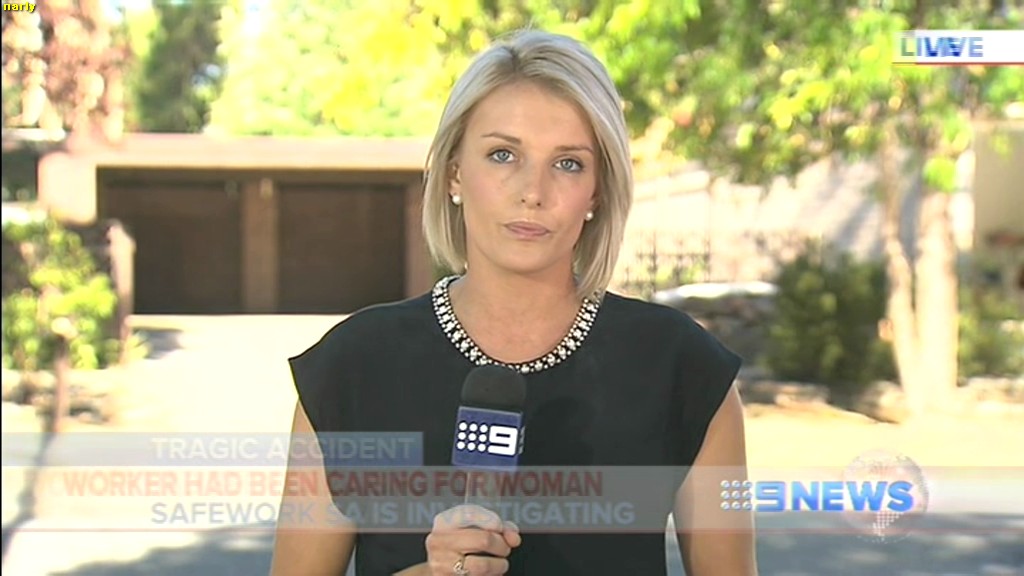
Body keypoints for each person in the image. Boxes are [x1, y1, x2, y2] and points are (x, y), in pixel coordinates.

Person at [269, 29, 757, 576]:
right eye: (503, 155)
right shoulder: (354, 366)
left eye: (568, 163)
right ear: (454, 173)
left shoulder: (683, 365)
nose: (533, 191)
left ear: (597, 191)